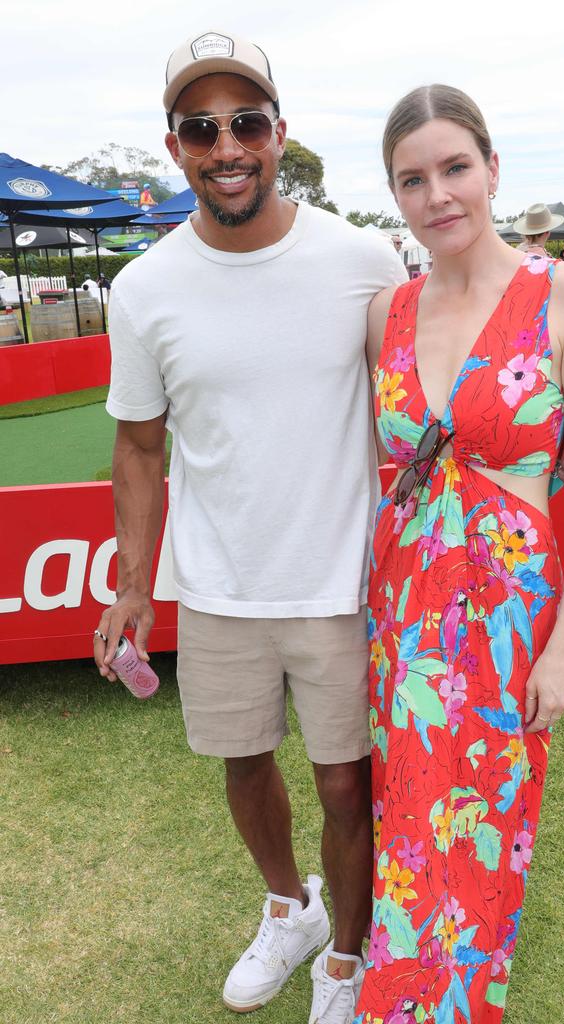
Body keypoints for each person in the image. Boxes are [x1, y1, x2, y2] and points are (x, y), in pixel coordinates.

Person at [93, 30, 406, 1024]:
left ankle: (346, 961)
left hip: (342, 584)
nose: (227, 146)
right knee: (242, 762)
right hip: (220, 584)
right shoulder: (142, 290)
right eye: (202, 127)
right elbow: (140, 447)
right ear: (176, 145)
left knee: (346, 787)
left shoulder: (363, 257)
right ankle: (290, 908)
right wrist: (134, 579)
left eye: (246, 122)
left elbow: (420, 398)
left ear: (280, 133)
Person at [353, 85, 564, 1022]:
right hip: (402, 617)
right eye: (413, 179)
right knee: (409, 829)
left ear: (493, 167)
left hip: (507, 620)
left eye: (455, 167)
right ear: (396, 197)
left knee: (480, 831)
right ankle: (399, 1000)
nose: (439, 195)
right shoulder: (385, 312)